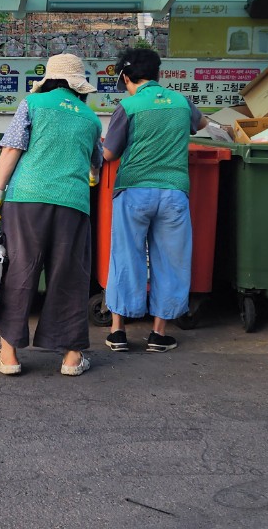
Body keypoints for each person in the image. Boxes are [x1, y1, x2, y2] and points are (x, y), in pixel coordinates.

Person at [0, 53, 102, 377]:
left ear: (49, 80)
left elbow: (11, 149)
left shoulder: (32, 105)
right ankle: (71, 358)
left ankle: (8, 356)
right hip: (73, 204)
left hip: (27, 200)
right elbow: (96, 166)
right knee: (69, 275)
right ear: (79, 86)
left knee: (20, 271)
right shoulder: (91, 119)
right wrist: (86, 174)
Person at [102, 48, 209, 353]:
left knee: (126, 257)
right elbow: (201, 125)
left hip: (134, 191)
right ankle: (159, 334)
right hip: (174, 192)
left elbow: (110, 153)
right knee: (171, 261)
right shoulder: (181, 102)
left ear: (125, 77)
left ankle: (118, 332)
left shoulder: (129, 106)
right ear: (158, 74)